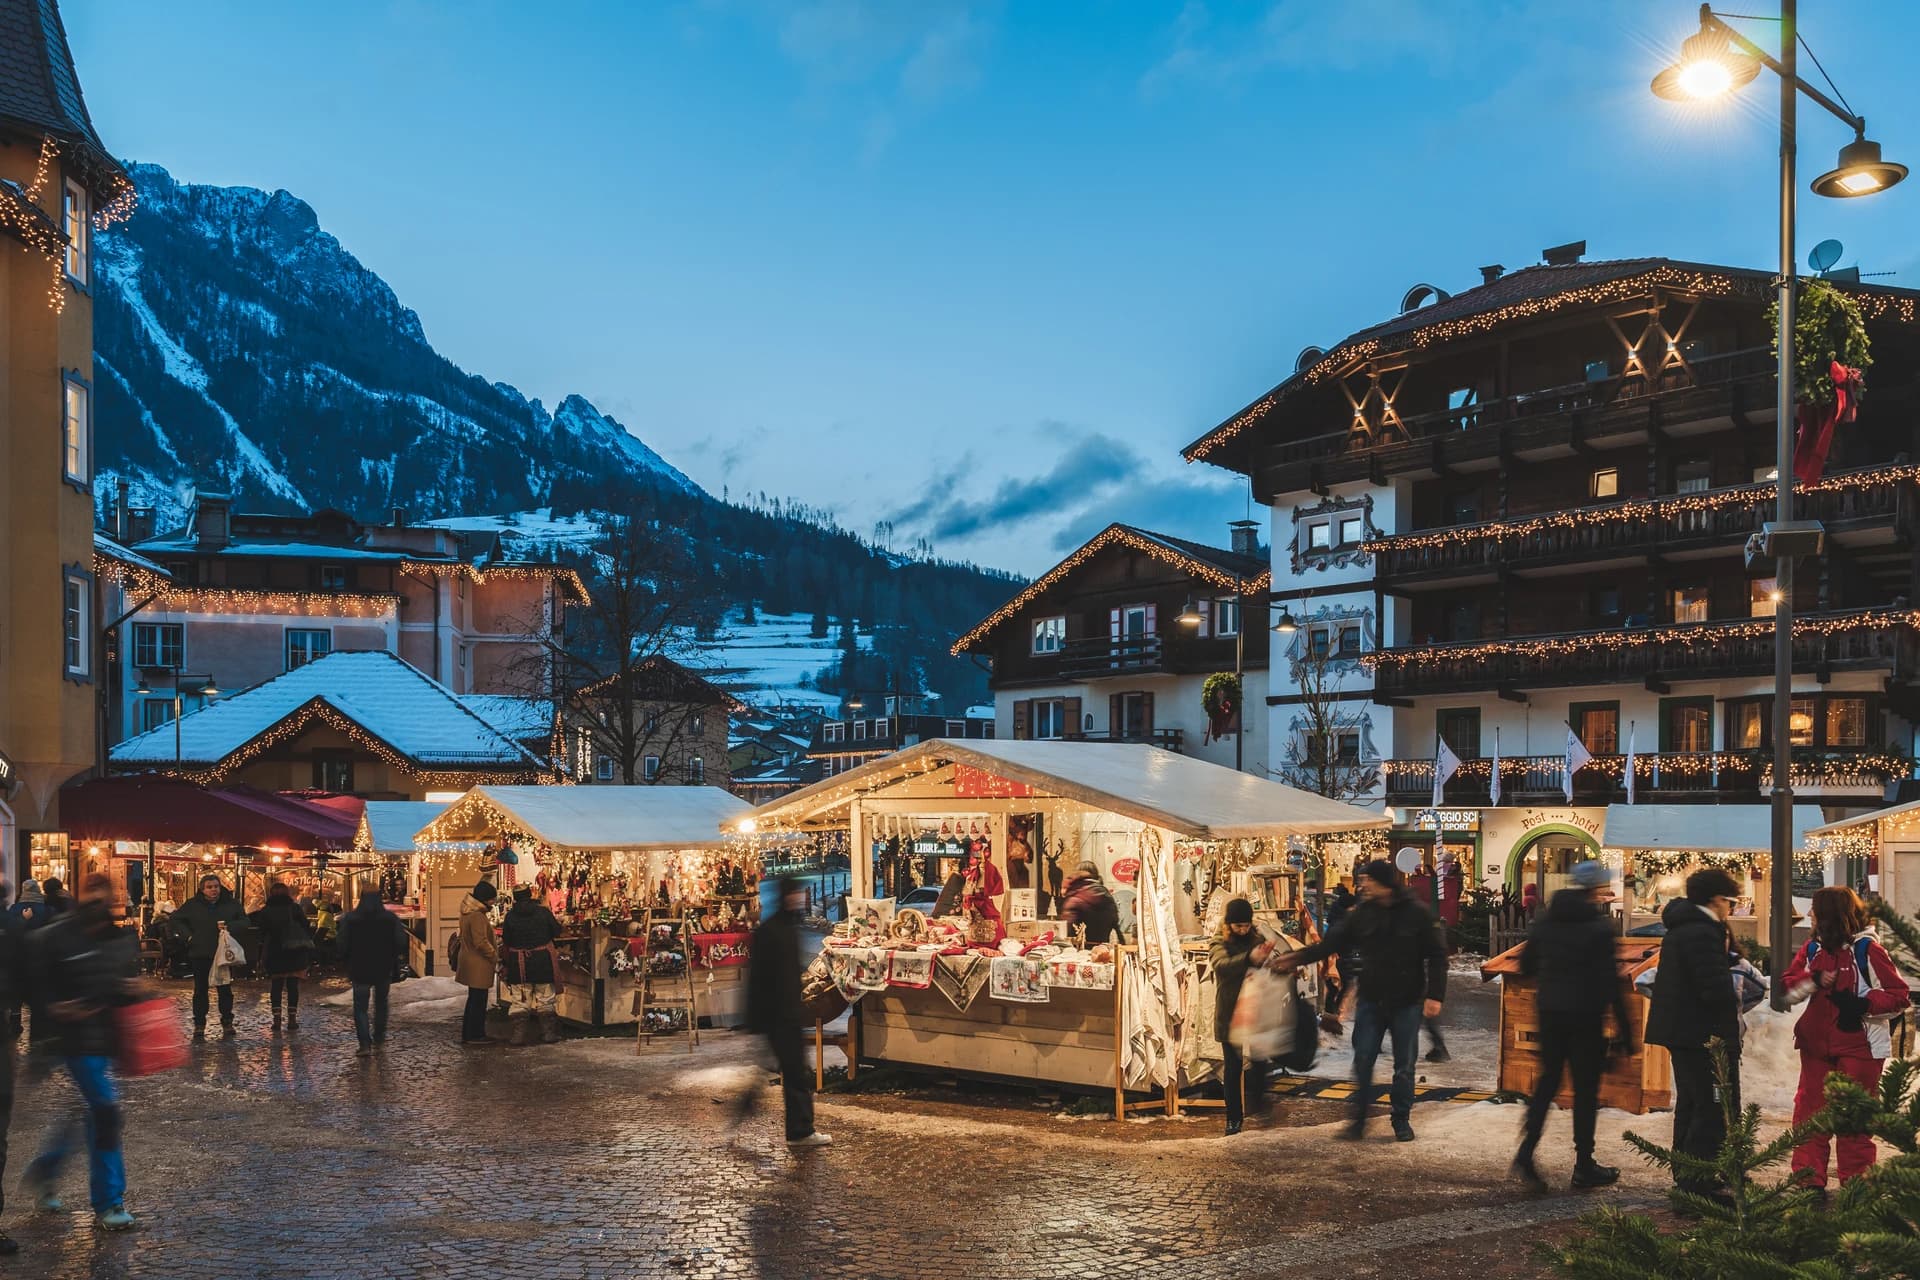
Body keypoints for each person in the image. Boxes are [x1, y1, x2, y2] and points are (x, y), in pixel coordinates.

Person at [1278, 859, 1446, 1142]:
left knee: (1404, 1065)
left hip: (1407, 1001)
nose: (1363, 885)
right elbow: (1332, 944)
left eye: (1369, 880)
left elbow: (1438, 956)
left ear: (1385, 883)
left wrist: (1435, 996)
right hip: (1372, 1000)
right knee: (1364, 1058)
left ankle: (1401, 1119)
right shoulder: (1363, 914)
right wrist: (1296, 957)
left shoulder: (1415, 913)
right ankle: (1358, 1121)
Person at [22, 874, 138, 1232]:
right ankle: (108, 1201)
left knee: (86, 1114)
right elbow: (31, 981)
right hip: (72, 1042)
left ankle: (46, 1169)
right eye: (92, 894)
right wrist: (54, 1008)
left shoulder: (117, 939)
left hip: (105, 1040)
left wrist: (134, 990)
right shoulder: (56, 936)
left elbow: (119, 986)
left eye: (105, 895)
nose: (99, 901)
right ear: (79, 896)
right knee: (104, 1113)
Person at [1512, 860, 1631, 1192]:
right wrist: (1625, 1031)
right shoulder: (1599, 927)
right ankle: (1583, 1164)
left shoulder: (1547, 921)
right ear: (1594, 890)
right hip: (1586, 1016)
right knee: (1585, 1091)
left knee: (1548, 1083)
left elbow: (1525, 963)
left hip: (1550, 1013)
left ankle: (1525, 1151)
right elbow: (1610, 982)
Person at [1783, 885, 1909, 1189]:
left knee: (1854, 1118)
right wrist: (1811, 980)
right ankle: (1807, 1179)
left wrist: (1864, 1004)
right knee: (1810, 1115)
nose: (1810, 914)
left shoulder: (1868, 950)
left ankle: (1857, 1184)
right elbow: (1787, 988)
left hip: (1859, 1046)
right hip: (1816, 1046)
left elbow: (1899, 995)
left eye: (1816, 909)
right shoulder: (1813, 948)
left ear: (1829, 914)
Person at [1644, 866, 1743, 1206]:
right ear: (1716, 900)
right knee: (1711, 1106)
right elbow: (1713, 989)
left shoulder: (1683, 927)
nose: (1733, 908)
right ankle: (1697, 1185)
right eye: (1731, 901)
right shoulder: (1703, 932)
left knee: (1692, 1103)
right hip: (1703, 1035)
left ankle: (1688, 1175)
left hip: (1683, 1032)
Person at [740, 877, 829, 1147]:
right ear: (786, 896)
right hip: (779, 1015)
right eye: (796, 894)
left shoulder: (783, 927)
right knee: (795, 1073)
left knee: (782, 1072)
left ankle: (742, 1115)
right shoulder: (774, 930)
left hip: (782, 1014)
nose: (800, 898)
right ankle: (800, 1131)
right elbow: (760, 979)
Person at [1210, 898, 1272, 1136]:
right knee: (1233, 1069)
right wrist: (1248, 959)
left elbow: (1267, 966)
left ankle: (1258, 1103)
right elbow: (1220, 964)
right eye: (1238, 926)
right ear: (1229, 924)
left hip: (1255, 1010)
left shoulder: (1258, 939)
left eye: (1246, 925)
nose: (1243, 930)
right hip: (1230, 1012)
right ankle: (1233, 1119)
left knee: (1259, 1060)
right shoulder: (1219, 942)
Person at [169, 874, 245, 1041]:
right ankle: (199, 1024)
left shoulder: (231, 904)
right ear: (202, 889)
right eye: (209, 887)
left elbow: (245, 921)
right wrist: (188, 937)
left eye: (216, 886)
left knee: (225, 989)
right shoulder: (193, 905)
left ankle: (227, 1021)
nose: (213, 890)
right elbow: (175, 919)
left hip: (222, 953)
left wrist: (230, 926)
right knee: (200, 990)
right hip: (200, 952)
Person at [338, 889, 410, 1057]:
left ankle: (364, 1044)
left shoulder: (350, 919)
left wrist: (346, 959)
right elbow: (401, 942)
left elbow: (342, 943)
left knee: (360, 1007)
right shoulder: (390, 919)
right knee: (381, 1004)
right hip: (383, 967)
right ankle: (379, 1037)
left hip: (359, 967)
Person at [499, 886, 563, 1046]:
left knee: (520, 1000)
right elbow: (556, 931)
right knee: (546, 998)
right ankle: (549, 1033)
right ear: (530, 895)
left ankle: (518, 1036)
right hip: (542, 961)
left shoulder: (511, 916)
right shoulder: (543, 912)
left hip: (518, 963)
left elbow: (507, 939)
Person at [249, 882, 315, 1033]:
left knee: (276, 986)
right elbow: (305, 925)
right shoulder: (294, 908)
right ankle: (292, 1018)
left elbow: (261, 930)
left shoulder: (266, 911)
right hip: (294, 951)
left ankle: (276, 1019)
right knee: (293, 985)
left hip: (274, 951)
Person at [456, 880, 500, 1046]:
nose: (493, 902)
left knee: (474, 999)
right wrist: (494, 955)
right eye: (491, 899)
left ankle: (470, 1033)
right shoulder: (477, 916)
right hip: (478, 964)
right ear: (484, 899)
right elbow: (480, 941)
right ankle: (475, 1034)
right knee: (478, 1001)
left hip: (471, 961)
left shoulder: (468, 912)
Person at [1059, 862, 1119, 945]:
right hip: (1103, 949)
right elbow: (1115, 920)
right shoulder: (1106, 894)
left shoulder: (1075, 896)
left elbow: (1068, 929)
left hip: (1079, 950)